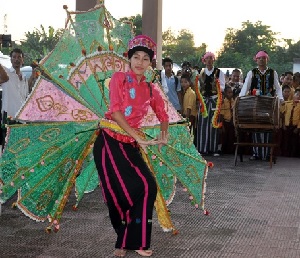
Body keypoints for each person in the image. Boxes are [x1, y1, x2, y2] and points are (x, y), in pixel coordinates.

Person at [93, 35, 169, 257]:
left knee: (146, 186)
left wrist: (164, 135)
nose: (140, 62)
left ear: (150, 63)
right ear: (129, 58)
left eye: (145, 59)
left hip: (131, 144)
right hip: (109, 142)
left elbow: (163, 115)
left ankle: (134, 241)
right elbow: (116, 111)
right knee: (117, 194)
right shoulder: (119, 78)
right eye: (136, 57)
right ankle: (124, 242)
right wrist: (138, 135)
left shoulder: (151, 88)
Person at [239, 50, 283, 161]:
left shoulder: (273, 72)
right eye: (259, 58)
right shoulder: (252, 72)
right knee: (256, 126)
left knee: (268, 127)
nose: (262, 60)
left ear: (267, 59)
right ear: (256, 60)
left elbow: (277, 87)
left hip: (269, 103)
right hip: (255, 104)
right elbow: (245, 87)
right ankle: (256, 153)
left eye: (264, 58)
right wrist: (240, 99)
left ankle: (268, 154)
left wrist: (280, 99)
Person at [0, 48, 31, 148]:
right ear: (11, 59)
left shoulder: (24, 78)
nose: (16, 59)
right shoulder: (6, 72)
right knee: (7, 150)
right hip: (9, 118)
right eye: (14, 57)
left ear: (23, 60)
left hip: (22, 120)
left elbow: (24, 97)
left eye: (19, 57)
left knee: (20, 149)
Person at [196, 52, 225, 156]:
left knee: (213, 124)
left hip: (214, 100)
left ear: (214, 60)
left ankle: (213, 149)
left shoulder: (218, 72)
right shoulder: (200, 72)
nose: (209, 60)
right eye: (207, 58)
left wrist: (216, 86)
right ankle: (202, 148)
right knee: (202, 124)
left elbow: (223, 86)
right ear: (204, 60)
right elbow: (198, 86)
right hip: (203, 100)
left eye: (211, 58)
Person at [281, 90, 300, 157]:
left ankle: (293, 155)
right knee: (285, 141)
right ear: (293, 95)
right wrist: (283, 125)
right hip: (287, 126)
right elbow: (283, 115)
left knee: (294, 142)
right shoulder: (287, 104)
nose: (298, 96)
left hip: (295, 127)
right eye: (297, 94)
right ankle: (285, 154)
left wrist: (298, 128)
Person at [220, 86, 235, 154]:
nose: (230, 94)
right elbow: (221, 115)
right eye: (228, 92)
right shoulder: (223, 102)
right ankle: (224, 150)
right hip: (225, 121)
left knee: (231, 137)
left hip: (231, 122)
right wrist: (222, 125)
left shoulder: (233, 101)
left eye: (231, 92)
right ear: (225, 93)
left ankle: (230, 150)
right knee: (224, 137)